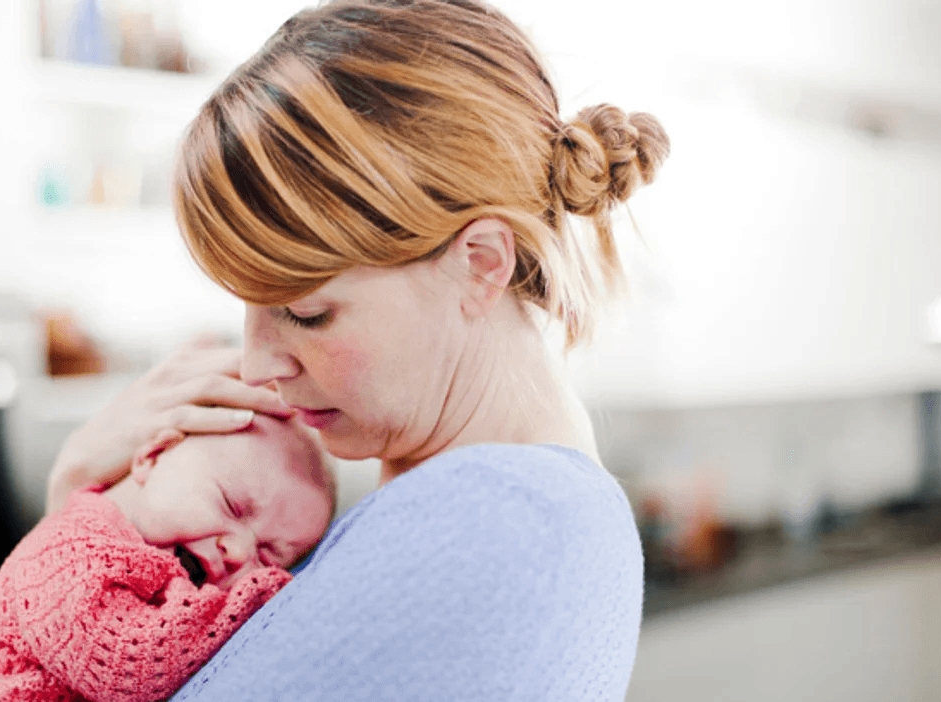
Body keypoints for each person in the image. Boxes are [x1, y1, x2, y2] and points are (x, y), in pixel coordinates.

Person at [48, 0, 669, 699]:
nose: (257, 367)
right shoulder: (481, 509)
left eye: (306, 313)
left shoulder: (489, 527)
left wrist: (67, 520)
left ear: (482, 264)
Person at [0, 414, 335, 702]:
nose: (239, 553)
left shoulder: (160, 555)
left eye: (268, 557)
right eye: (231, 506)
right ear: (153, 456)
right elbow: (130, 666)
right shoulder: (69, 551)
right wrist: (260, 593)